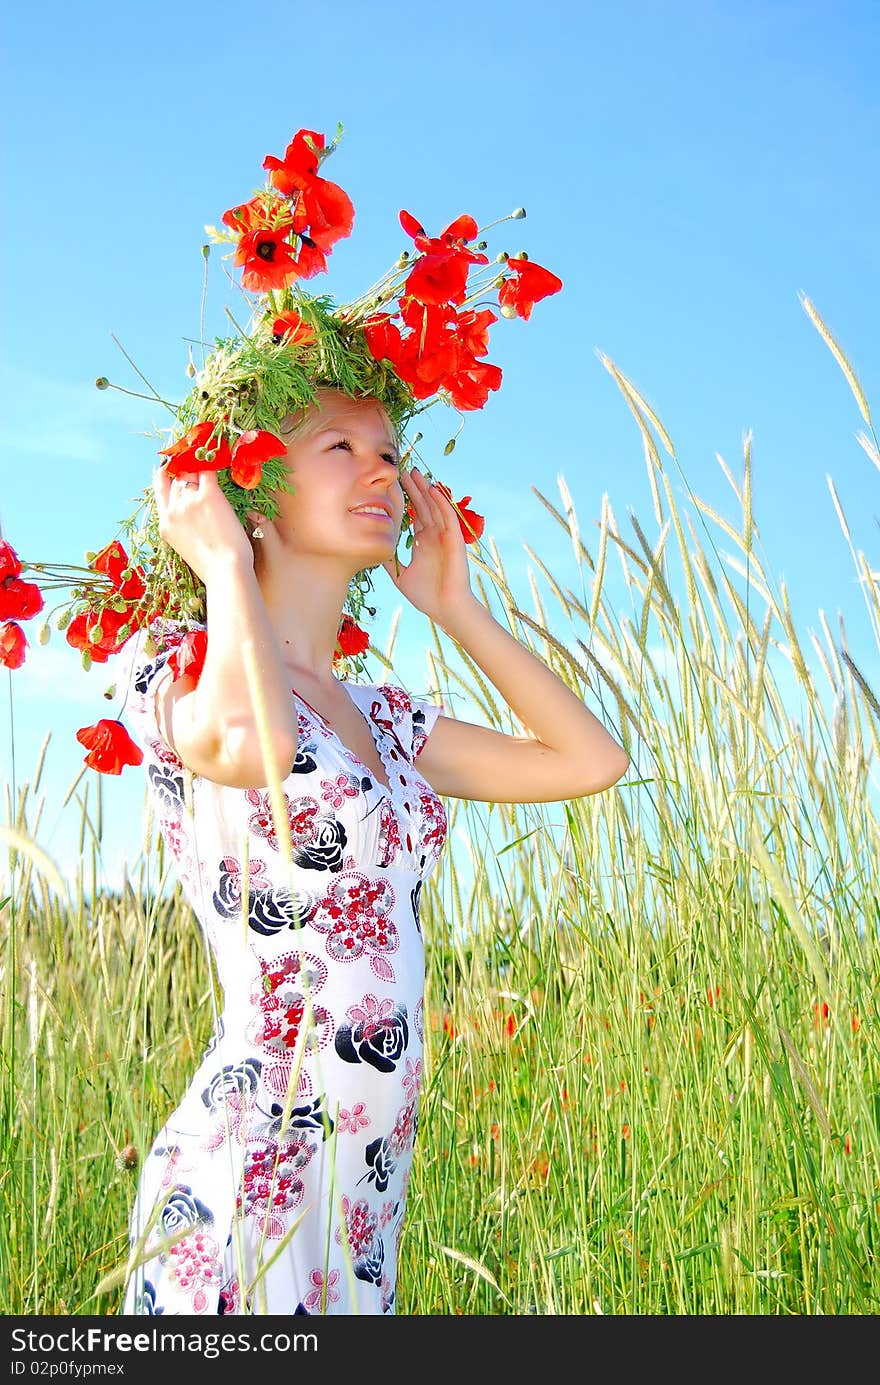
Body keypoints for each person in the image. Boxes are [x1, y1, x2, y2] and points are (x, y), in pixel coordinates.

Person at [118, 381, 628, 1315]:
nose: (384, 469)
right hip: (250, 1170)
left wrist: (455, 608)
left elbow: (591, 761)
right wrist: (228, 565)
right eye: (340, 448)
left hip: (365, 1185)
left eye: (389, 450)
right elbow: (257, 749)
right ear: (252, 489)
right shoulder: (176, 666)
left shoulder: (388, 716)